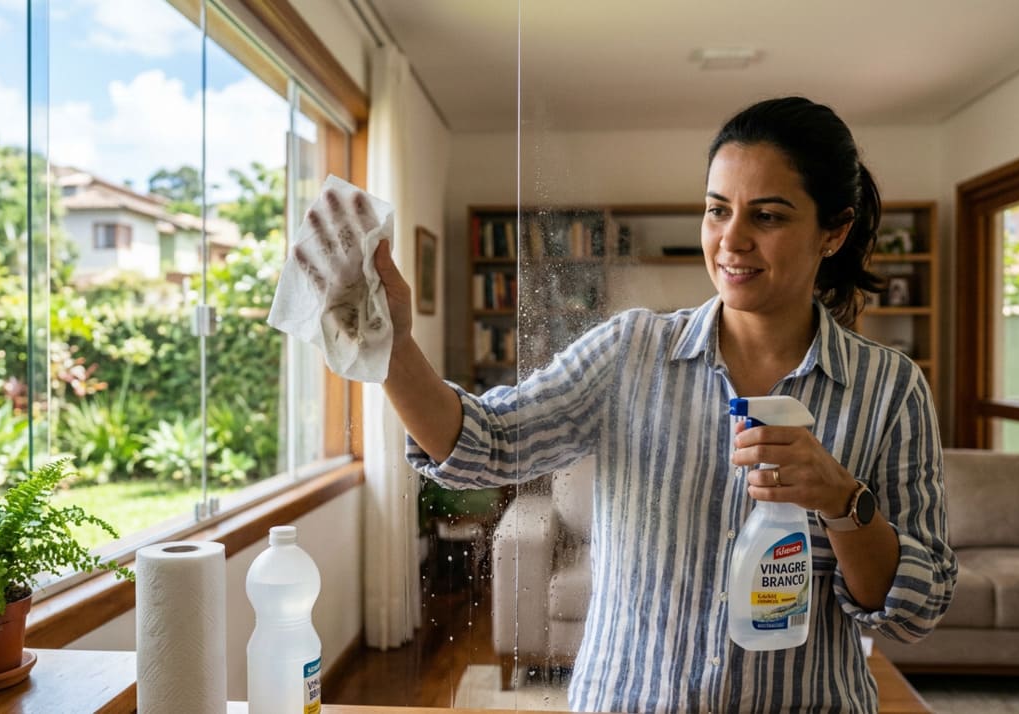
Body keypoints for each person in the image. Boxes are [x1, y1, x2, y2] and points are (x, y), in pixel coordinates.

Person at [369, 96, 957, 713]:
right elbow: (480, 446)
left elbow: (914, 611)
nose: (731, 240)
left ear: (833, 231)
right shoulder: (628, 352)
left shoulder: (891, 389)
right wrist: (392, 346)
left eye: (768, 216)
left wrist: (843, 502)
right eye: (716, 210)